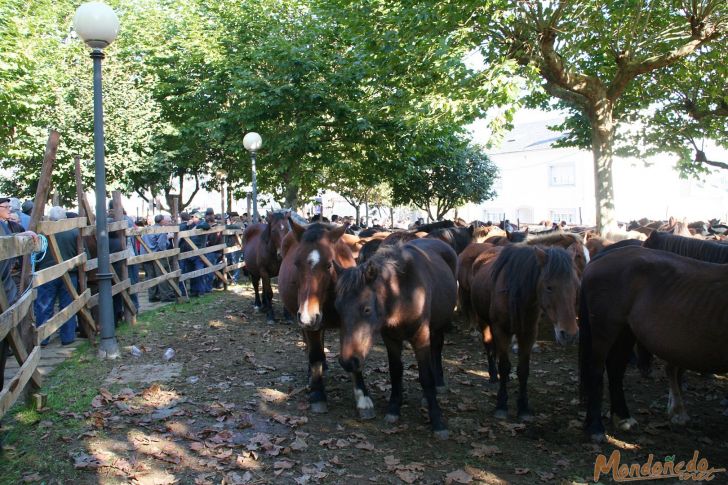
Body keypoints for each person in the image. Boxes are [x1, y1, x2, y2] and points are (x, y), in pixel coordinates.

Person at [33, 206, 79, 345]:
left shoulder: (42, 233)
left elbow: (36, 255)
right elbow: (83, 254)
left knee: (44, 306)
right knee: (67, 306)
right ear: (64, 218)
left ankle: (43, 337)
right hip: (69, 273)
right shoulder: (74, 232)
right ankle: (68, 337)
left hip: (47, 275)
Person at [140, 214, 175, 302]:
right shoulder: (161, 230)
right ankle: (165, 296)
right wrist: (168, 239)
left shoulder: (147, 229)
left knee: (150, 276)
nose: (168, 222)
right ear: (162, 221)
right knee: (161, 275)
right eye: (167, 221)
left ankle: (152, 296)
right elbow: (162, 245)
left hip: (146, 255)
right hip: (157, 255)